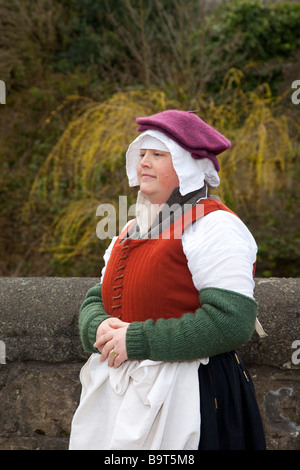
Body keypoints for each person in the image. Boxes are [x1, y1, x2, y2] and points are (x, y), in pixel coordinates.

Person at [69, 110, 267, 450]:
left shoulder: (216, 227)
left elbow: (232, 322)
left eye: (158, 155)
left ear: (187, 166)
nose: (144, 162)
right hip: (120, 396)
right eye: (142, 154)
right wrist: (98, 329)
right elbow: (96, 298)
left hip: (193, 394)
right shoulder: (130, 229)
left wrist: (137, 340)